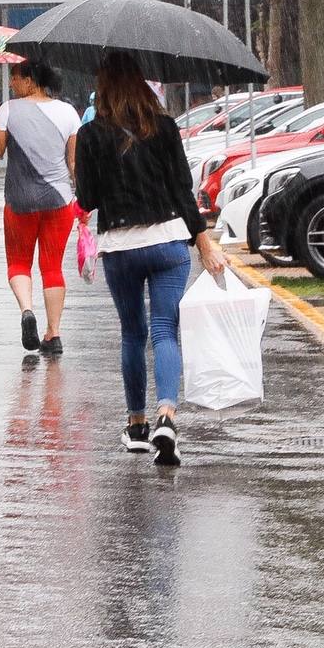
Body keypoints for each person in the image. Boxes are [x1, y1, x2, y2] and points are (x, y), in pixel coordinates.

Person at [75, 52, 227, 467]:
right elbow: (182, 190)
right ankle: (166, 415)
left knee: (131, 333)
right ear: (141, 83)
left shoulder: (89, 135)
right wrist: (203, 240)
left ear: (102, 86)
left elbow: (87, 199)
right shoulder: (163, 128)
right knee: (164, 329)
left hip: (120, 249)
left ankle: (136, 424)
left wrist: (83, 165)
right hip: (166, 243)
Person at [0, 60, 80, 355]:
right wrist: (82, 200)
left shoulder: (9, 109)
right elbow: (74, 164)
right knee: (53, 267)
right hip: (60, 201)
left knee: (19, 263)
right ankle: (54, 333)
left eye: (16, 77)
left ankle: (27, 311)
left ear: (31, 80)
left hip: (20, 201)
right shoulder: (69, 112)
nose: (12, 83)